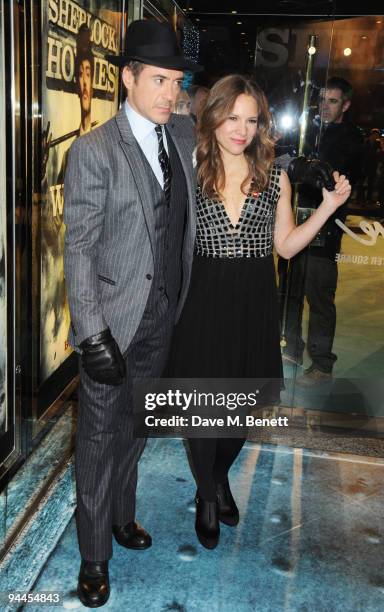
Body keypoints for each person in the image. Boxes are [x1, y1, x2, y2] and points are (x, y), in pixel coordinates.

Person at [165, 74, 351, 550]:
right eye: (233, 117)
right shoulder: (190, 167)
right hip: (202, 301)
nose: (241, 129)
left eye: (251, 120)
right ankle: (208, 495)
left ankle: (221, 476)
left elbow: (286, 247)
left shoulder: (273, 177)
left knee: (240, 412)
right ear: (215, 117)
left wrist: (327, 208)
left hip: (253, 302)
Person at [63, 19, 201, 608]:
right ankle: (94, 555)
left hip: (161, 319)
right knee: (96, 437)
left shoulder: (186, 138)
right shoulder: (94, 150)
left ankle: (122, 515)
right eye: (159, 81)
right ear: (128, 78)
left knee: (136, 430)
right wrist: (91, 332)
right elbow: (80, 247)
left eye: (177, 82)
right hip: (111, 326)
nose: (171, 93)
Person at [282, 77, 363, 385]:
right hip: (294, 221)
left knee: (319, 297)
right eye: (323, 100)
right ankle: (291, 348)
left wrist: (307, 168)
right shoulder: (309, 131)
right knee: (290, 294)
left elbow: (334, 178)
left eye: (332, 101)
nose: (325, 106)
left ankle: (322, 364)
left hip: (326, 228)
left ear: (345, 104)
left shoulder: (351, 139)